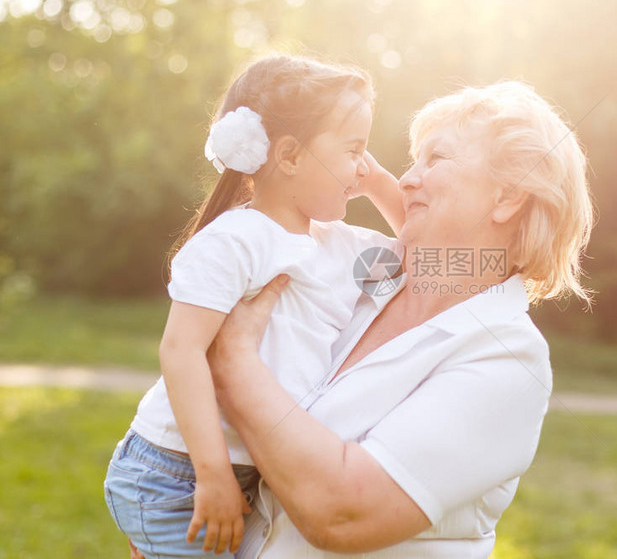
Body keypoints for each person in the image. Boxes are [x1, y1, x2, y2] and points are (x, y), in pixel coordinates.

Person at [179, 80, 595, 558]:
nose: (408, 179)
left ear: (508, 197)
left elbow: (342, 512)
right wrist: (162, 516)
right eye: (412, 162)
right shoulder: (375, 275)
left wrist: (233, 362)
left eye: (436, 159)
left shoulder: (504, 355)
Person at [104, 54, 406, 558]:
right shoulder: (235, 241)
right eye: (354, 149)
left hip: (246, 474)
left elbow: (429, 258)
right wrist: (213, 474)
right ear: (288, 156)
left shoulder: (345, 247)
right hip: (176, 471)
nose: (362, 164)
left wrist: (376, 183)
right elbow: (180, 353)